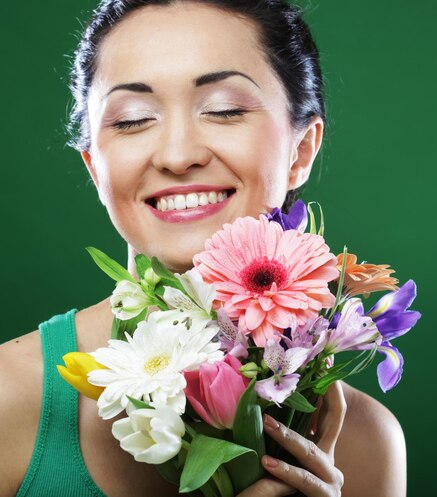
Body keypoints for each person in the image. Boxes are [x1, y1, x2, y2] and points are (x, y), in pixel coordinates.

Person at [0, 1, 406, 496]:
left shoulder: (362, 441)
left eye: (224, 110)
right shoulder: (9, 399)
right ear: (95, 168)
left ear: (301, 150)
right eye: (132, 120)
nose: (177, 156)